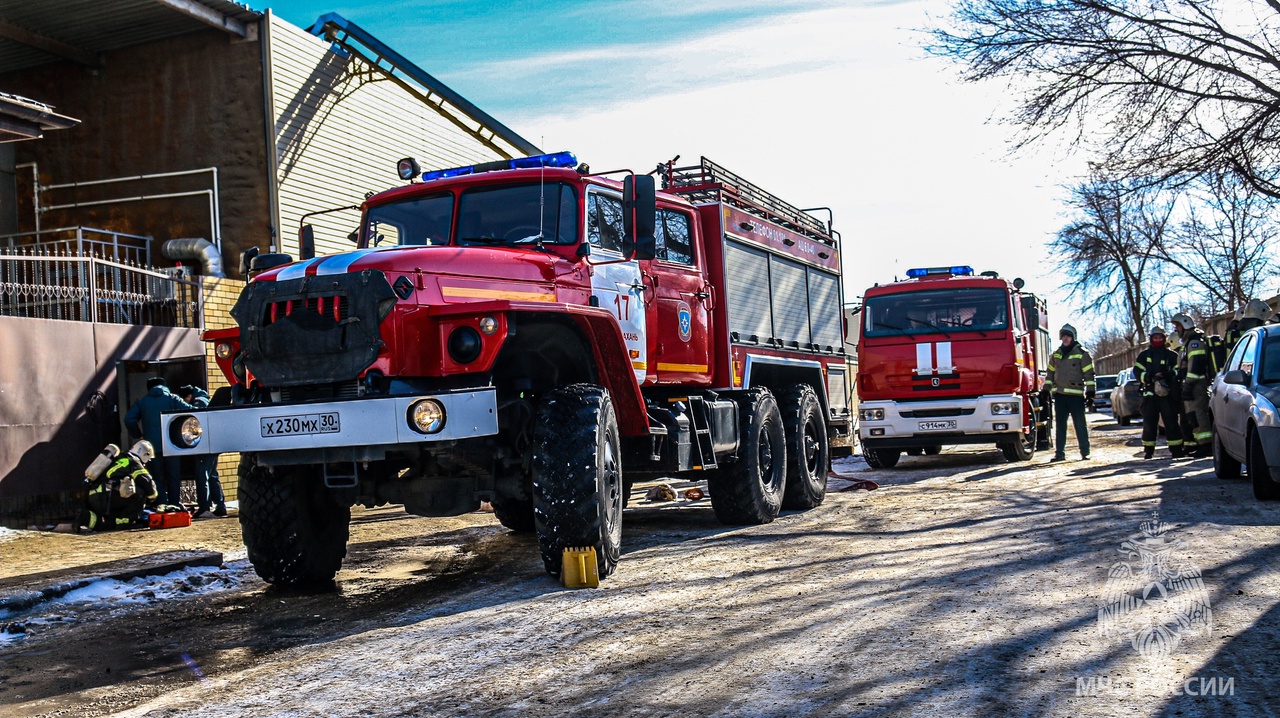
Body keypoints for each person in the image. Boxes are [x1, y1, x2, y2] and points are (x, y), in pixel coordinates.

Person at [123, 377, 197, 505]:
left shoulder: (142, 402)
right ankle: (174, 505)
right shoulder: (172, 399)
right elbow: (193, 411)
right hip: (172, 445)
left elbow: (128, 419)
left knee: (156, 478)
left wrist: (138, 435)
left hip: (151, 447)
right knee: (173, 478)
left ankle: (162, 504)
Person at [1043, 323, 1096, 461]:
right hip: (1060, 396)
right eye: (1063, 336)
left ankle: (1085, 452)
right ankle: (1059, 453)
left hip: (1076, 396)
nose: (1065, 339)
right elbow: (1050, 374)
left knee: (1080, 425)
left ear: (1073, 337)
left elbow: (1089, 375)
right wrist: (1045, 390)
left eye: (1068, 336)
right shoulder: (1056, 355)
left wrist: (1090, 393)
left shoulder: (1082, 354)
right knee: (1060, 426)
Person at [1133, 327, 1184, 459]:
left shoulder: (1172, 355)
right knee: (1149, 423)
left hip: (1168, 396)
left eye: (1160, 338)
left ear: (1164, 338)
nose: (1158, 340)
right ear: (1151, 339)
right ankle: (1148, 451)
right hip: (1150, 395)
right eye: (1155, 338)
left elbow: (1179, 370)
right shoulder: (1144, 356)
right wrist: (1149, 377)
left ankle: (1176, 450)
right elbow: (1137, 372)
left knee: (1171, 422)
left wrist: (1168, 375)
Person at [84, 440, 159, 531]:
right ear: (145, 455)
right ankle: (126, 522)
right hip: (108, 497)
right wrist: (153, 497)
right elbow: (146, 482)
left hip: (95, 497)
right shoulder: (134, 460)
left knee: (125, 488)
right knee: (140, 492)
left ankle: (111, 522)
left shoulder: (119, 457)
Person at [179, 384, 227, 518]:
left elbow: (197, 422)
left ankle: (204, 508)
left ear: (188, 396)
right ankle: (220, 506)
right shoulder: (204, 399)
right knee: (212, 476)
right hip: (212, 445)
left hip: (205, 446)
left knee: (202, 476)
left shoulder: (198, 403)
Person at [1170, 312, 1214, 458]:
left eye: (1178, 326)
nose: (1177, 329)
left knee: (1199, 415)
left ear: (1185, 325)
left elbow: (1196, 367)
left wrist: (1188, 386)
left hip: (1197, 385)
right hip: (1190, 385)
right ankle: (1201, 444)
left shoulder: (1195, 343)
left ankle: (1206, 445)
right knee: (1192, 416)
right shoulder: (1188, 342)